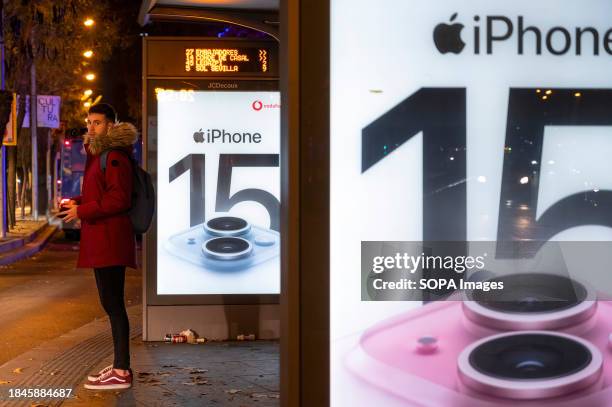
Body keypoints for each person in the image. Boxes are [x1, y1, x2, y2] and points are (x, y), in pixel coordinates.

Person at [60, 103, 138, 390]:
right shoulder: (99, 154)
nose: (91, 128)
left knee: (114, 304)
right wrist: (79, 204)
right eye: (89, 122)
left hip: (110, 238)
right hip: (102, 236)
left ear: (111, 126)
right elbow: (100, 194)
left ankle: (122, 371)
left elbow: (119, 200)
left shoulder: (114, 156)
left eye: (98, 123)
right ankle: (120, 365)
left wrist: (83, 211)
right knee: (110, 303)